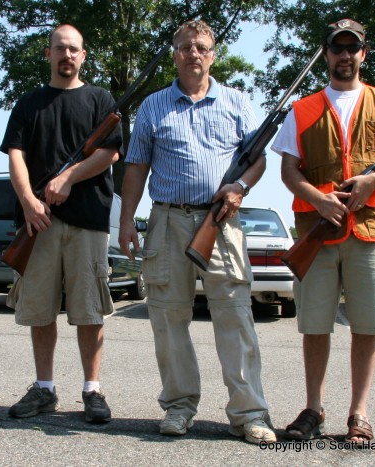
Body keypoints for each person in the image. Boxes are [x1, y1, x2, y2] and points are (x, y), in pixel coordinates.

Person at [118, 20, 275, 445]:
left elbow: (258, 159)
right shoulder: (152, 106)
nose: (193, 54)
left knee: (235, 316)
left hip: (221, 220)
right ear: (175, 54)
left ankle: (249, 414)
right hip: (167, 220)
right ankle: (179, 407)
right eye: (186, 47)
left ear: (213, 55)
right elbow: (136, 166)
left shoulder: (239, 103)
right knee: (169, 318)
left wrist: (240, 188)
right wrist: (126, 219)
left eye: (201, 47)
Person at [271, 18, 375, 443]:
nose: (344, 56)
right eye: (337, 48)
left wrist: (374, 181)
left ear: (363, 53)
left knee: (367, 325)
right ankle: (313, 409)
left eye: (351, 48)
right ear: (327, 54)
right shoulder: (302, 108)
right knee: (315, 324)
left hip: (371, 231)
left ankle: (359, 413)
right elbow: (288, 170)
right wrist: (317, 199)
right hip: (316, 231)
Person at [0, 24, 122, 423]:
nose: (67, 55)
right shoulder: (29, 103)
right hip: (39, 224)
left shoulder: (101, 100)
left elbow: (110, 154)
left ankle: (93, 390)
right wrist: (29, 202)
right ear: (48, 54)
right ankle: (45, 389)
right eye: (60, 49)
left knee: (89, 311)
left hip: (88, 222)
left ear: (83, 56)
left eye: (74, 49)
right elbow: (15, 156)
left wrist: (68, 178)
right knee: (41, 310)